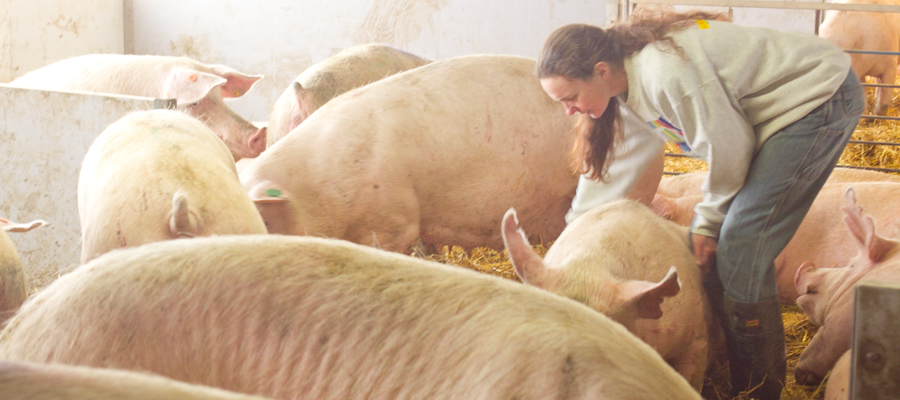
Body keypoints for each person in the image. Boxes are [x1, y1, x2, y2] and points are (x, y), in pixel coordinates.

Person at [537, 9, 864, 400]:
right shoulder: (625, 89)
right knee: (714, 243)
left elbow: (730, 146)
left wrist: (709, 220)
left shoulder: (664, 76)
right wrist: (577, 229)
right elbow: (623, 167)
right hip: (772, 117)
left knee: (742, 245)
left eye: (570, 97)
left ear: (602, 70)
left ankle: (758, 390)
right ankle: (726, 360)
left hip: (816, 99)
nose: (568, 110)